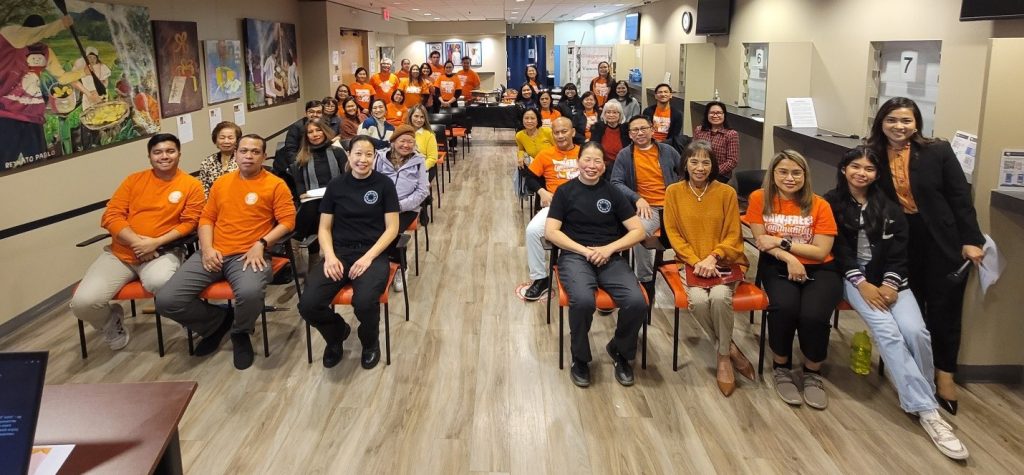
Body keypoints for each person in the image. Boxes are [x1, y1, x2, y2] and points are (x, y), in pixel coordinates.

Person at [825, 146, 969, 460]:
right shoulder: (830, 202)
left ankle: (920, 393)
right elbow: (839, 250)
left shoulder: (889, 207)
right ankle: (929, 411)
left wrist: (890, 284)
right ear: (844, 168)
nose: (861, 173)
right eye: (855, 166)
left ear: (877, 174)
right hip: (855, 280)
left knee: (917, 332)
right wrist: (862, 284)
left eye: (869, 168)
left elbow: (899, 253)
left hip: (892, 281)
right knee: (888, 334)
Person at [866, 97, 985, 415]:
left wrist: (971, 240)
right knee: (911, 309)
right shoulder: (872, 154)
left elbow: (960, 196)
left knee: (944, 309)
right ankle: (914, 374)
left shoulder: (938, 151)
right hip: (899, 241)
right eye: (891, 120)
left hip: (941, 239)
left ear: (917, 123)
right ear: (881, 122)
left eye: (906, 120)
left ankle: (945, 376)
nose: (898, 127)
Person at [155, 134, 296, 370]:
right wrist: (207, 249)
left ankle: (240, 332)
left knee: (250, 293)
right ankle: (217, 323)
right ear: (236, 154)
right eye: (243, 151)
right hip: (213, 252)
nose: (248, 156)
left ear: (263, 155)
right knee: (167, 300)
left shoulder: (275, 184)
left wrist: (261, 243)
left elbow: (288, 222)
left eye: (254, 152)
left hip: (250, 254)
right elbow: (206, 219)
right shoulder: (222, 183)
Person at [71, 134, 204, 351]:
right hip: (120, 254)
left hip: (162, 252)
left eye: (170, 151)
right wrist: (137, 243)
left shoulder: (191, 185)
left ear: (179, 154)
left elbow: (189, 223)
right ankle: (110, 322)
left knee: (160, 282)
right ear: (149, 156)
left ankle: (187, 320)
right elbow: (111, 216)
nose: (164, 156)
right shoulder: (133, 180)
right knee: (83, 303)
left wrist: (155, 243)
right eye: (157, 152)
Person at [746, 150, 842, 409]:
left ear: (805, 175)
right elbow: (761, 241)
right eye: (783, 172)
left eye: (796, 172)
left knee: (813, 315)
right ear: (773, 174)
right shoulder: (759, 199)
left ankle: (813, 372)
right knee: (785, 308)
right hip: (777, 264)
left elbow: (821, 251)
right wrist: (789, 257)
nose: (790, 178)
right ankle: (782, 366)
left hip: (822, 269)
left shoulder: (819, 204)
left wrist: (782, 242)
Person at [545, 141, 647, 387]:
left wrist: (609, 249)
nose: (591, 165)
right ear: (578, 161)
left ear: (604, 166)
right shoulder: (565, 191)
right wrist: (584, 250)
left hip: (609, 256)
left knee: (636, 301)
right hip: (575, 255)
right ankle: (580, 358)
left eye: (597, 161)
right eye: (587, 160)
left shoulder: (614, 193)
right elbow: (551, 232)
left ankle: (620, 351)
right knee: (583, 300)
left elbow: (638, 231)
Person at [297, 135, 400, 369]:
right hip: (340, 252)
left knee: (364, 302)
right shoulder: (336, 185)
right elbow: (324, 227)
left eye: (368, 154)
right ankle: (336, 335)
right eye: (358, 154)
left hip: (372, 253)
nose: (362, 159)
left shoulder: (384, 184)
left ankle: (370, 342)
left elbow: (392, 228)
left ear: (374, 157)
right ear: (349, 155)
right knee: (308, 305)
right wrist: (330, 256)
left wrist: (369, 257)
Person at [663, 140, 752, 396]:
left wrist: (713, 257)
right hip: (691, 263)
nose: (700, 167)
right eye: (694, 161)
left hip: (724, 262)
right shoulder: (674, 192)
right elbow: (674, 235)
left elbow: (734, 235)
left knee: (721, 296)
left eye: (705, 162)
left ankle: (723, 357)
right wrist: (695, 260)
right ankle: (731, 348)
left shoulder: (726, 193)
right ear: (685, 164)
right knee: (700, 301)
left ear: (713, 165)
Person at [611, 115, 680, 294]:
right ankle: (646, 279)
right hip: (649, 208)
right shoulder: (625, 155)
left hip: (674, 206)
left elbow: (684, 175)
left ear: (652, 129)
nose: (640, 133)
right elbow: (616, 182)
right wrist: (637, 198)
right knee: (638, 232)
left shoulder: (668, 151)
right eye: (635, 130)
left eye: (643, 128)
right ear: (630, 134)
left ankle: (691, 271)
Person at [519, 117, 581, 300]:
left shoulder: (583, 152)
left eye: (564, 131)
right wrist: (542, 191)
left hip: (583, 206)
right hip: (555, 205)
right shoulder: (545, 154)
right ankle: (540, 278)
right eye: (556, 132)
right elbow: (529, 177)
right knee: (532, 231)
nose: (560, 136)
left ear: (573, 132)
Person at [374, 125, 429, 292]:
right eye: (402, 141)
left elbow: (423, 190)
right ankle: (378, 266)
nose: (406, 145)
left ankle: (401, 267)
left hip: (407, 208)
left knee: (393, 230)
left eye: (410, 142)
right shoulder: (380, 158)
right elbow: (372, 182)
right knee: (370, 228)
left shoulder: (418, 161)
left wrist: (399, 206)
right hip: (381, 207)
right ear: (393, 142)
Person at [289, 119, 347, 200]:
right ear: (306, 136)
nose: (315, 134)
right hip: (313, 200)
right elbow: (300, 182)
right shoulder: (301, 157)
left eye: (318, 130)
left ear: (324, 131)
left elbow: (347, 176)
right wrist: (302, 194)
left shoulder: (338, 152)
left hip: (339, 197)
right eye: (310, 132)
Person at [693, 101, 739, 182]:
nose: (715, 115)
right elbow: (693, 152)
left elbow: (732, 161)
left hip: (720, 174)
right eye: (712, 113)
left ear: (724, 115)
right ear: (707, 115)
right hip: (699, 170)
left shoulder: (731, 134)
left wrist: (713, 171)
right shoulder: (699, 130)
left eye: (719, 113)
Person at [274, 100, 323, 175]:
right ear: (306, 113)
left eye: (319, 112)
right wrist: (298, 168)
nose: (315, 114)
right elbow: (290, 151)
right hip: (288, 167)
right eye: (311, 112)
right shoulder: (296, 127)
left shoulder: (324, 125)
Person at [514, 109, 554, 197]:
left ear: (538, 120)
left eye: (532, 118)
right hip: (537, 166)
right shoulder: (519, 135)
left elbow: (558, 148)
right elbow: (521, 149)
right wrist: (520, 157)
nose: (529, 121)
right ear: (522, 120)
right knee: (525, 170)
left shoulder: (547, 132)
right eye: (526, 118)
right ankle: (540, 196)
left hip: (551, 165)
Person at [199, 121, 242, 196]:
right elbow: (204, 188)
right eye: (222, 138)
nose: (226, 141)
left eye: (230, 138)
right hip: (214, 204)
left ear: (237, 141)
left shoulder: (244, 160)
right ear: (215, 141)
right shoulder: (208, 162)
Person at [588, 101, 630, 177]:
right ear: (604, 114)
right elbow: (593, 148)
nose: (611, 115)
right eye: (608, 112)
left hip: (622, 166)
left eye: (615, 112)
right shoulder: (598, 128)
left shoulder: (626, 129)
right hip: (602, 167)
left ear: (620, 115)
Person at [643, 83, 684, 148]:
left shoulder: (677, 114)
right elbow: (645, 131)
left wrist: (663, 143)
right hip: (650, 144)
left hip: (668, 146)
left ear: (670, 95)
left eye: (666, 92)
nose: (663, 94)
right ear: (655, 96)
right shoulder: (648, 111)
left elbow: (674, 136)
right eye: (660, 92)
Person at [406, 105, 439, 180]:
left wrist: (418, 169)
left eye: (422, 117)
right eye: (416, 116)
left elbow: (432, 158)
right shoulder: (404, 132)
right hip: (406, 168)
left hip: (423, 168)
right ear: (410, 116)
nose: (419, 120)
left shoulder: (429, 135)